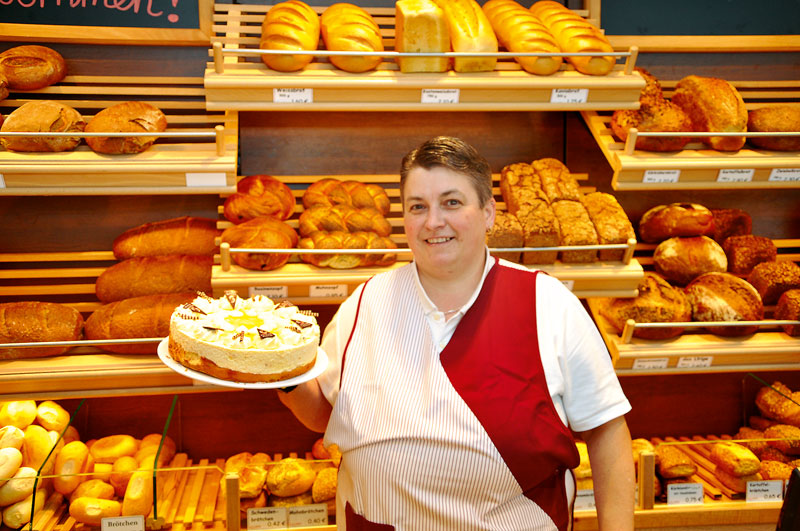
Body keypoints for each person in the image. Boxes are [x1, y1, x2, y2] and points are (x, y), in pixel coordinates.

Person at [278, 136, 635, 530]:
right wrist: (277, 370)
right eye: (418, 207)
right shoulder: (364, 304)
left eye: (452, 202)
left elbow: (606, 431)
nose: (433, 222)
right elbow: (324, 415)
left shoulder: (547, 304)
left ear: (488, 213)